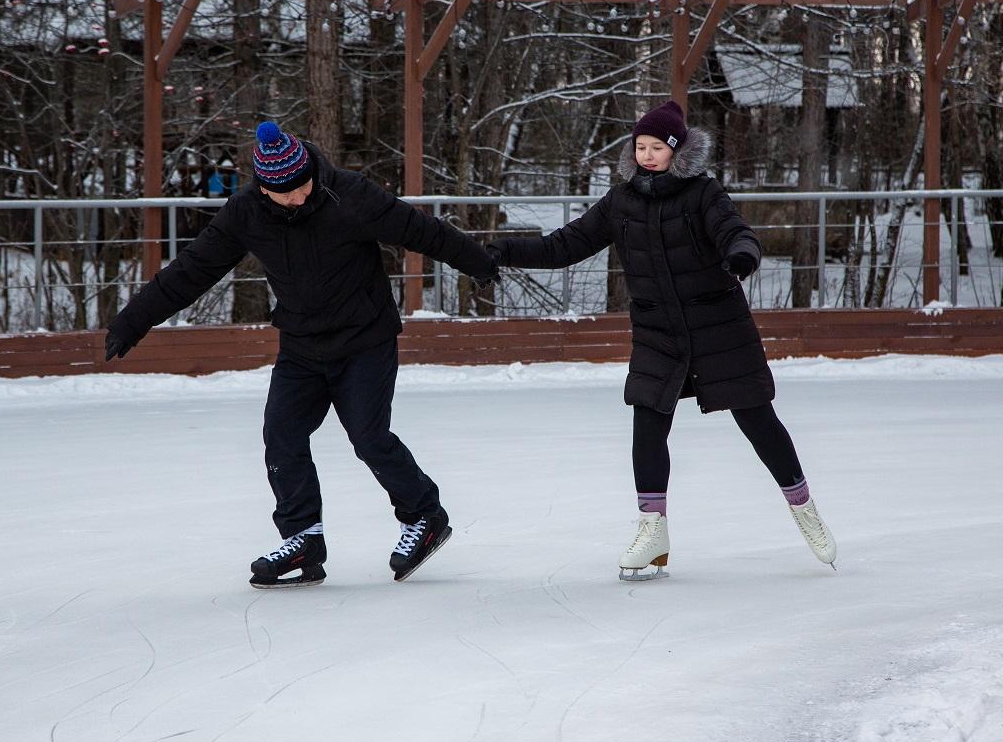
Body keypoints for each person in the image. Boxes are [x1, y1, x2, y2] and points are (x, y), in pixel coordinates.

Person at [105, 121, 498, 588]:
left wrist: (477, 261)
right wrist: (134, 320)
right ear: (265, 188)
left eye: (301, 186)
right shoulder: (246, 213)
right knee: (281, 435)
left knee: (368, 437)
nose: (296, 198)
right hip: (302, 346)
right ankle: (303, 539)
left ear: (310, 170)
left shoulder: (350, 195)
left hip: (364, 339)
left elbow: (423, 231)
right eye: (284, 193)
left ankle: (424, 516)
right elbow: (192, 270)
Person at [487, 100, 836, 581]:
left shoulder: (702, 193)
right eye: (640, 147)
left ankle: (803, 507)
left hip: (719, 328)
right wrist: (504, 250)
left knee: (758, 420)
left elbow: (737, 232)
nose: (647, 155)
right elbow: (563, 245)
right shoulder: (621, 201)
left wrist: (741, 257)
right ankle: (653, 529)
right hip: (658, 333)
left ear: (677, 150)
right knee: (648, 422)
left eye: (656, 147)